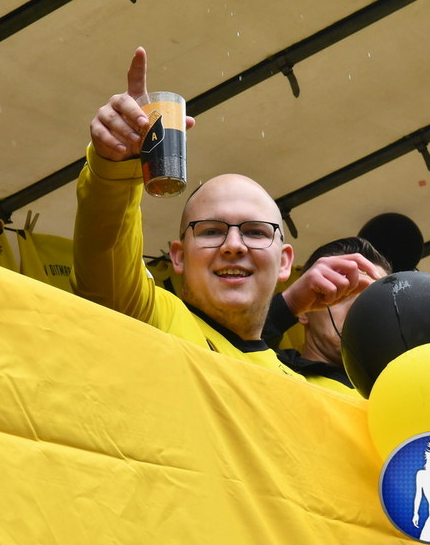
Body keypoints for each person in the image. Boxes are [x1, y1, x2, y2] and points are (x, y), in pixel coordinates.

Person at [71, 47, 381, 378]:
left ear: (285, 262)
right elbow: (104, 255)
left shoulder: (303, 385)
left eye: (256, 232)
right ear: (178, 256)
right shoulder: (148, 319)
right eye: (211, 231)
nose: (234, 245)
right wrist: (115, 166)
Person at [264, 237, 391, 395]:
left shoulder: (395, 390)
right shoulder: (270, 368)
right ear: (304, 311)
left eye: (374, 301)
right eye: (342, 294)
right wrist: (291, 302)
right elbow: (238, 340)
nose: (360, 310)